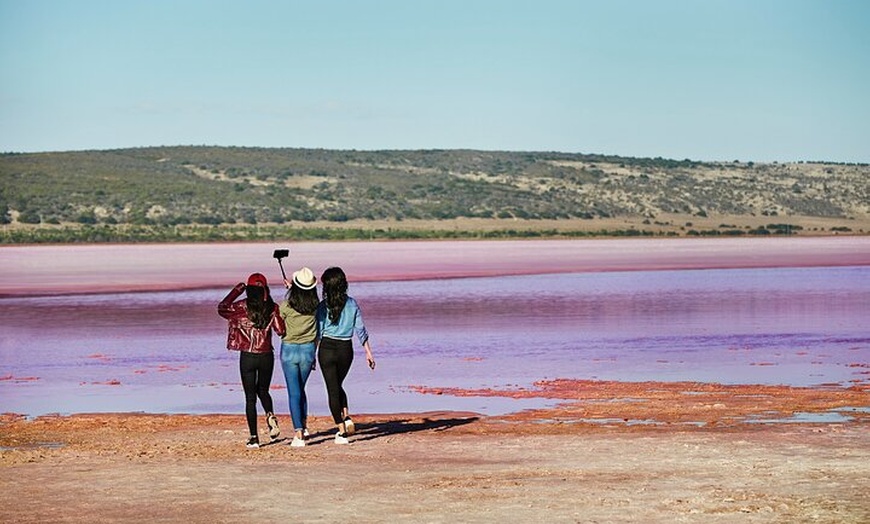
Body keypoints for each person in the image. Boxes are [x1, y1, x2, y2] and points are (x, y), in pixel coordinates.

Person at [218, 273, 286, 449]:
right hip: (266, 355)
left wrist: (237, 290)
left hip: (247, 356)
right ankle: (270, 414)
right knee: (263, 391)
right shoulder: (272, 307)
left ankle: (254, 438)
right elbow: (281, 330)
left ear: (249, 290)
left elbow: (222, 307)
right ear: (265, 289)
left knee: (250, 398)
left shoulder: (240, 307)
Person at [316, 266, 376, 444]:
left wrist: (312, 354)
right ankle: (347, 416)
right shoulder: (352, 303)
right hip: (345, 350)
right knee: (337, 385)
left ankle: (341, 431)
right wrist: (368, 352)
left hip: (326, 348)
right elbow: (360, 329)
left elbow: (318, 333)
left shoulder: (322, 306)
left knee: (332, 389)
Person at [278, 267, 320, 447]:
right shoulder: (316, 306)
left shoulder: (286, 305)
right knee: (300, 390)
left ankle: (299, 434)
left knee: (294, 392)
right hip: (308, 350)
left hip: (289, 350)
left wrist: (290, 292)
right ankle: (303, 425)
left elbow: (280, 321)